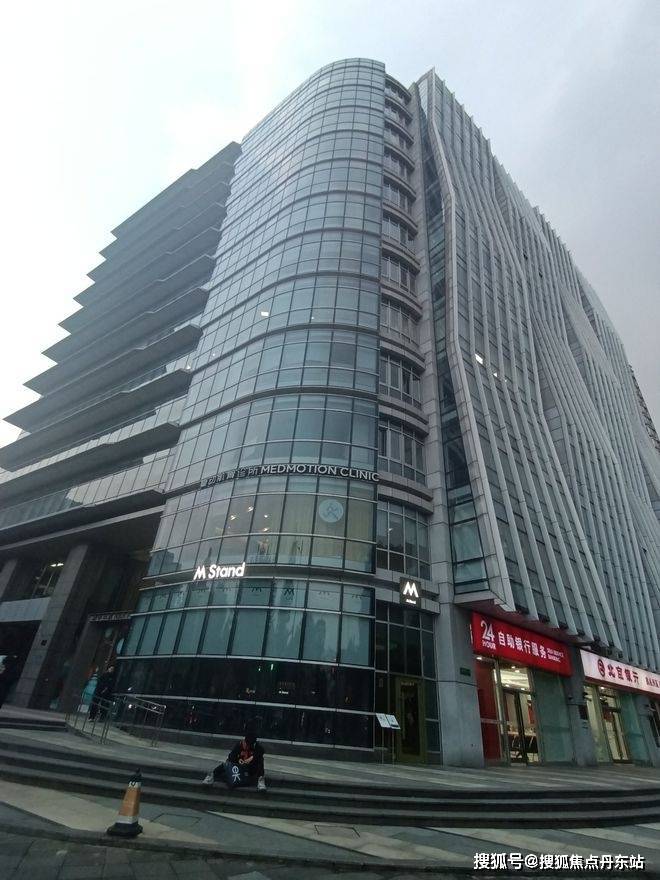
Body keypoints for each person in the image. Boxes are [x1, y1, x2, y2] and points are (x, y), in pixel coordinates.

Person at [203, 726, 266, 791]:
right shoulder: (239, 745)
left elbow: (261, 751)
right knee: (226, 764)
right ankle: (211, 776)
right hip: (238, 766)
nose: (248, 746)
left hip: (249, 768)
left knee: (260, 760)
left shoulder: (257, 747)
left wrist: (252, 758)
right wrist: (239, 759)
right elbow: (231, 756)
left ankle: (261, 781)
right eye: (247, 744)